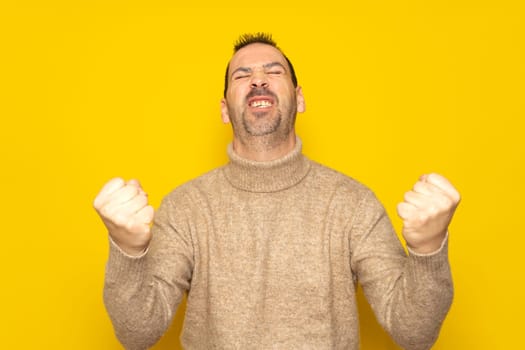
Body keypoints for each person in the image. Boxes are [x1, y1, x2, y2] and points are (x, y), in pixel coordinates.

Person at [94, 33, 460, 350]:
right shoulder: (186, 207)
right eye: (243, 75)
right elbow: (138, 334)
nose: (258, 81)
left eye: (273, 71)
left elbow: (414, 333)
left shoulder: (352, 204)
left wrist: (428, 249)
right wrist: (127, 251)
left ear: (299, 99)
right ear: (224, 109)